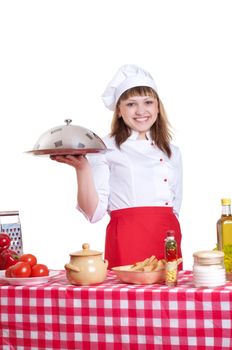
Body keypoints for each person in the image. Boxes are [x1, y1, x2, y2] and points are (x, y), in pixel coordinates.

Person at [51, 64, 183, 269]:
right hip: (126, 241)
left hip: (168, 239)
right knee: (126, 299)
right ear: (119, 110)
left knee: (167, 300)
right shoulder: (104, 148)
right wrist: (82, 169)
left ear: (158, 106)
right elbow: (93, 213)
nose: (141, 111)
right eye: (131, 104)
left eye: (148, 102)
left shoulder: (172, 152)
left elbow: (175, 208)